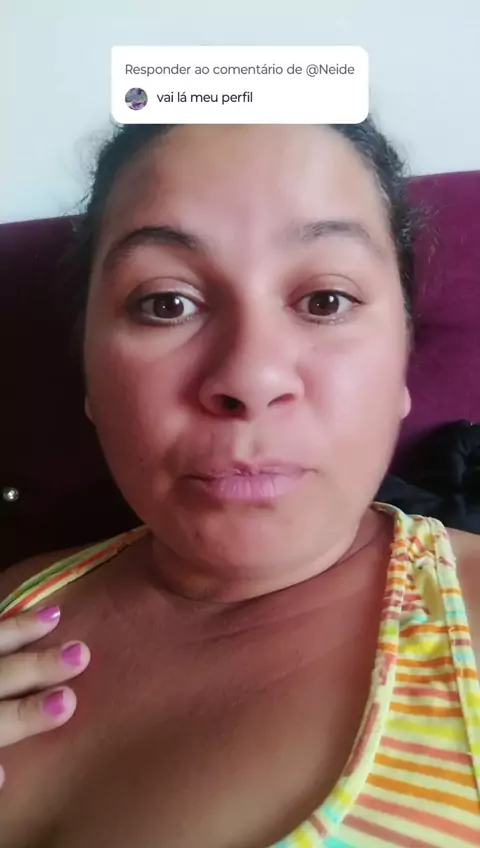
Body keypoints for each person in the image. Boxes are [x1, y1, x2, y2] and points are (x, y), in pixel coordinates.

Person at [0, 119, 480, 848]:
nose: (250, 378)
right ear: (89, 373)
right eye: (166, 302)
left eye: (326, 300)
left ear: (402, 365)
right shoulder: (17, 602)